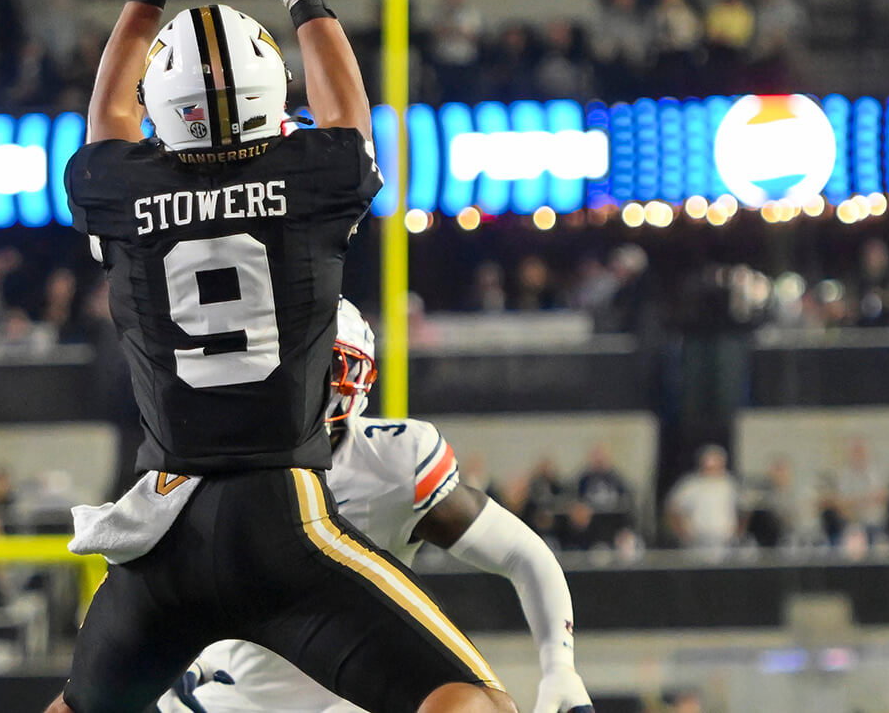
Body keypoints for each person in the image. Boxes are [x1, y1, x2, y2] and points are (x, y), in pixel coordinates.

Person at [51, 0, 514, 713]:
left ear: (162, 105)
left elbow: (108, 121)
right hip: (281, 522)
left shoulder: (121, 187)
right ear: (275, 98)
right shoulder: (310, 177)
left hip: (164, 531)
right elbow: (348, 121)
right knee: (468, 703)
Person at [159, 301, 591, 713]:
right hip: (233, 700)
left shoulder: (393, 465)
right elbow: (172, 592)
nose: (299, 381)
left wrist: (559, 664)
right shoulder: (214, 462)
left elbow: (522, 554)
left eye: (318, 365)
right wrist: (181, 656)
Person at [666, 446, 742, 551]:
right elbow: (672, 510)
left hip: (724, 542)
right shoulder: (690, 484)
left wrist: (737, 532)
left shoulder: (730, 484)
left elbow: (743, 509)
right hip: (695, 542)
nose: (712, 468)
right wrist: (681, 533)